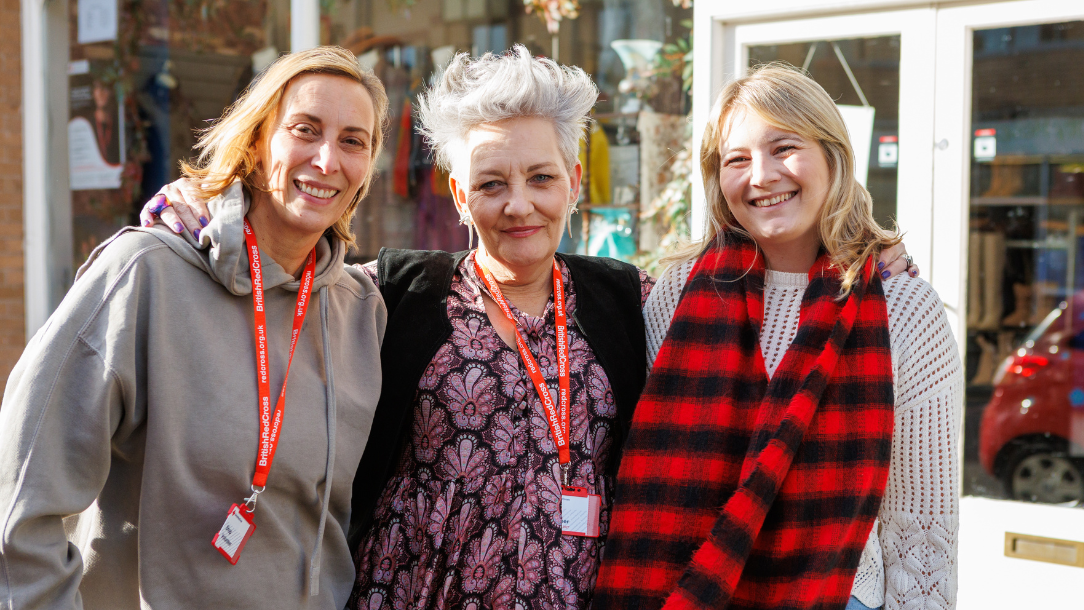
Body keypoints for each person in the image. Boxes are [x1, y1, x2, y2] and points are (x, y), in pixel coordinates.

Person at [139, 50, 917, 610]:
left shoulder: (634, 302)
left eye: (542, 178)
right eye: (491, 183)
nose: (520, 205)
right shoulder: (391, 294)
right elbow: (286, 276)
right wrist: (205, 208)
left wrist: (867, 249)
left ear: (574, 182)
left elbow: (757, 284)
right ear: (457, 191)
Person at [0, 46, 389, 609]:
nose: (328, 160)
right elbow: (21, 494)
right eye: (305, 129)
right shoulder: (145, 274)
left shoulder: (362, 310)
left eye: (353, 141)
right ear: (256, 144)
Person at [594, 63, 961, 610]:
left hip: (834, 596)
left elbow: (922, 524)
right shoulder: (678, 291)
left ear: (833, 155)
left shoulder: (902, 307)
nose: (761, 176)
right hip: (681, 590)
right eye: (736, 159)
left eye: (783, 148)